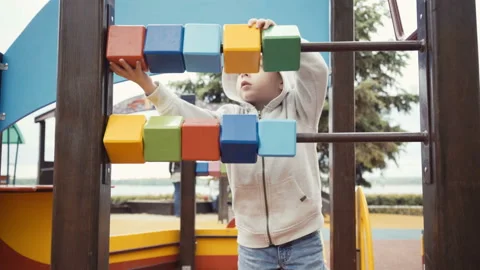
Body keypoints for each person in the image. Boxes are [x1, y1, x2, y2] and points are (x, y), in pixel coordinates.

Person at [110, 18, 329, 270]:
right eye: (239, 71)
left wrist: (277, 36)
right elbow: (186, 117)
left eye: (256, 66)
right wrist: (148, 85)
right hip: (252, 245)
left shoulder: (300, 109)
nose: (245, 73)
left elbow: (316, 71)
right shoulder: (229, 117)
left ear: (282, 79)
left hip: (302, 238)